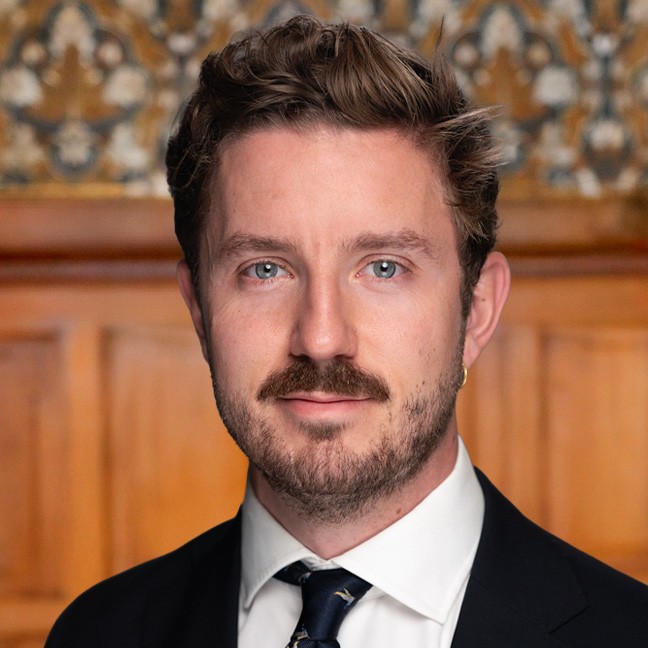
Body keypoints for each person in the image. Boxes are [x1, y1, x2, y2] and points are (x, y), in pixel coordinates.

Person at [46, 15, 647, 648]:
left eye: (384, 268)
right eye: (266, 269)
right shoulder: (97, 634)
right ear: (198, 309)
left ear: (476, 310)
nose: (322, 338)